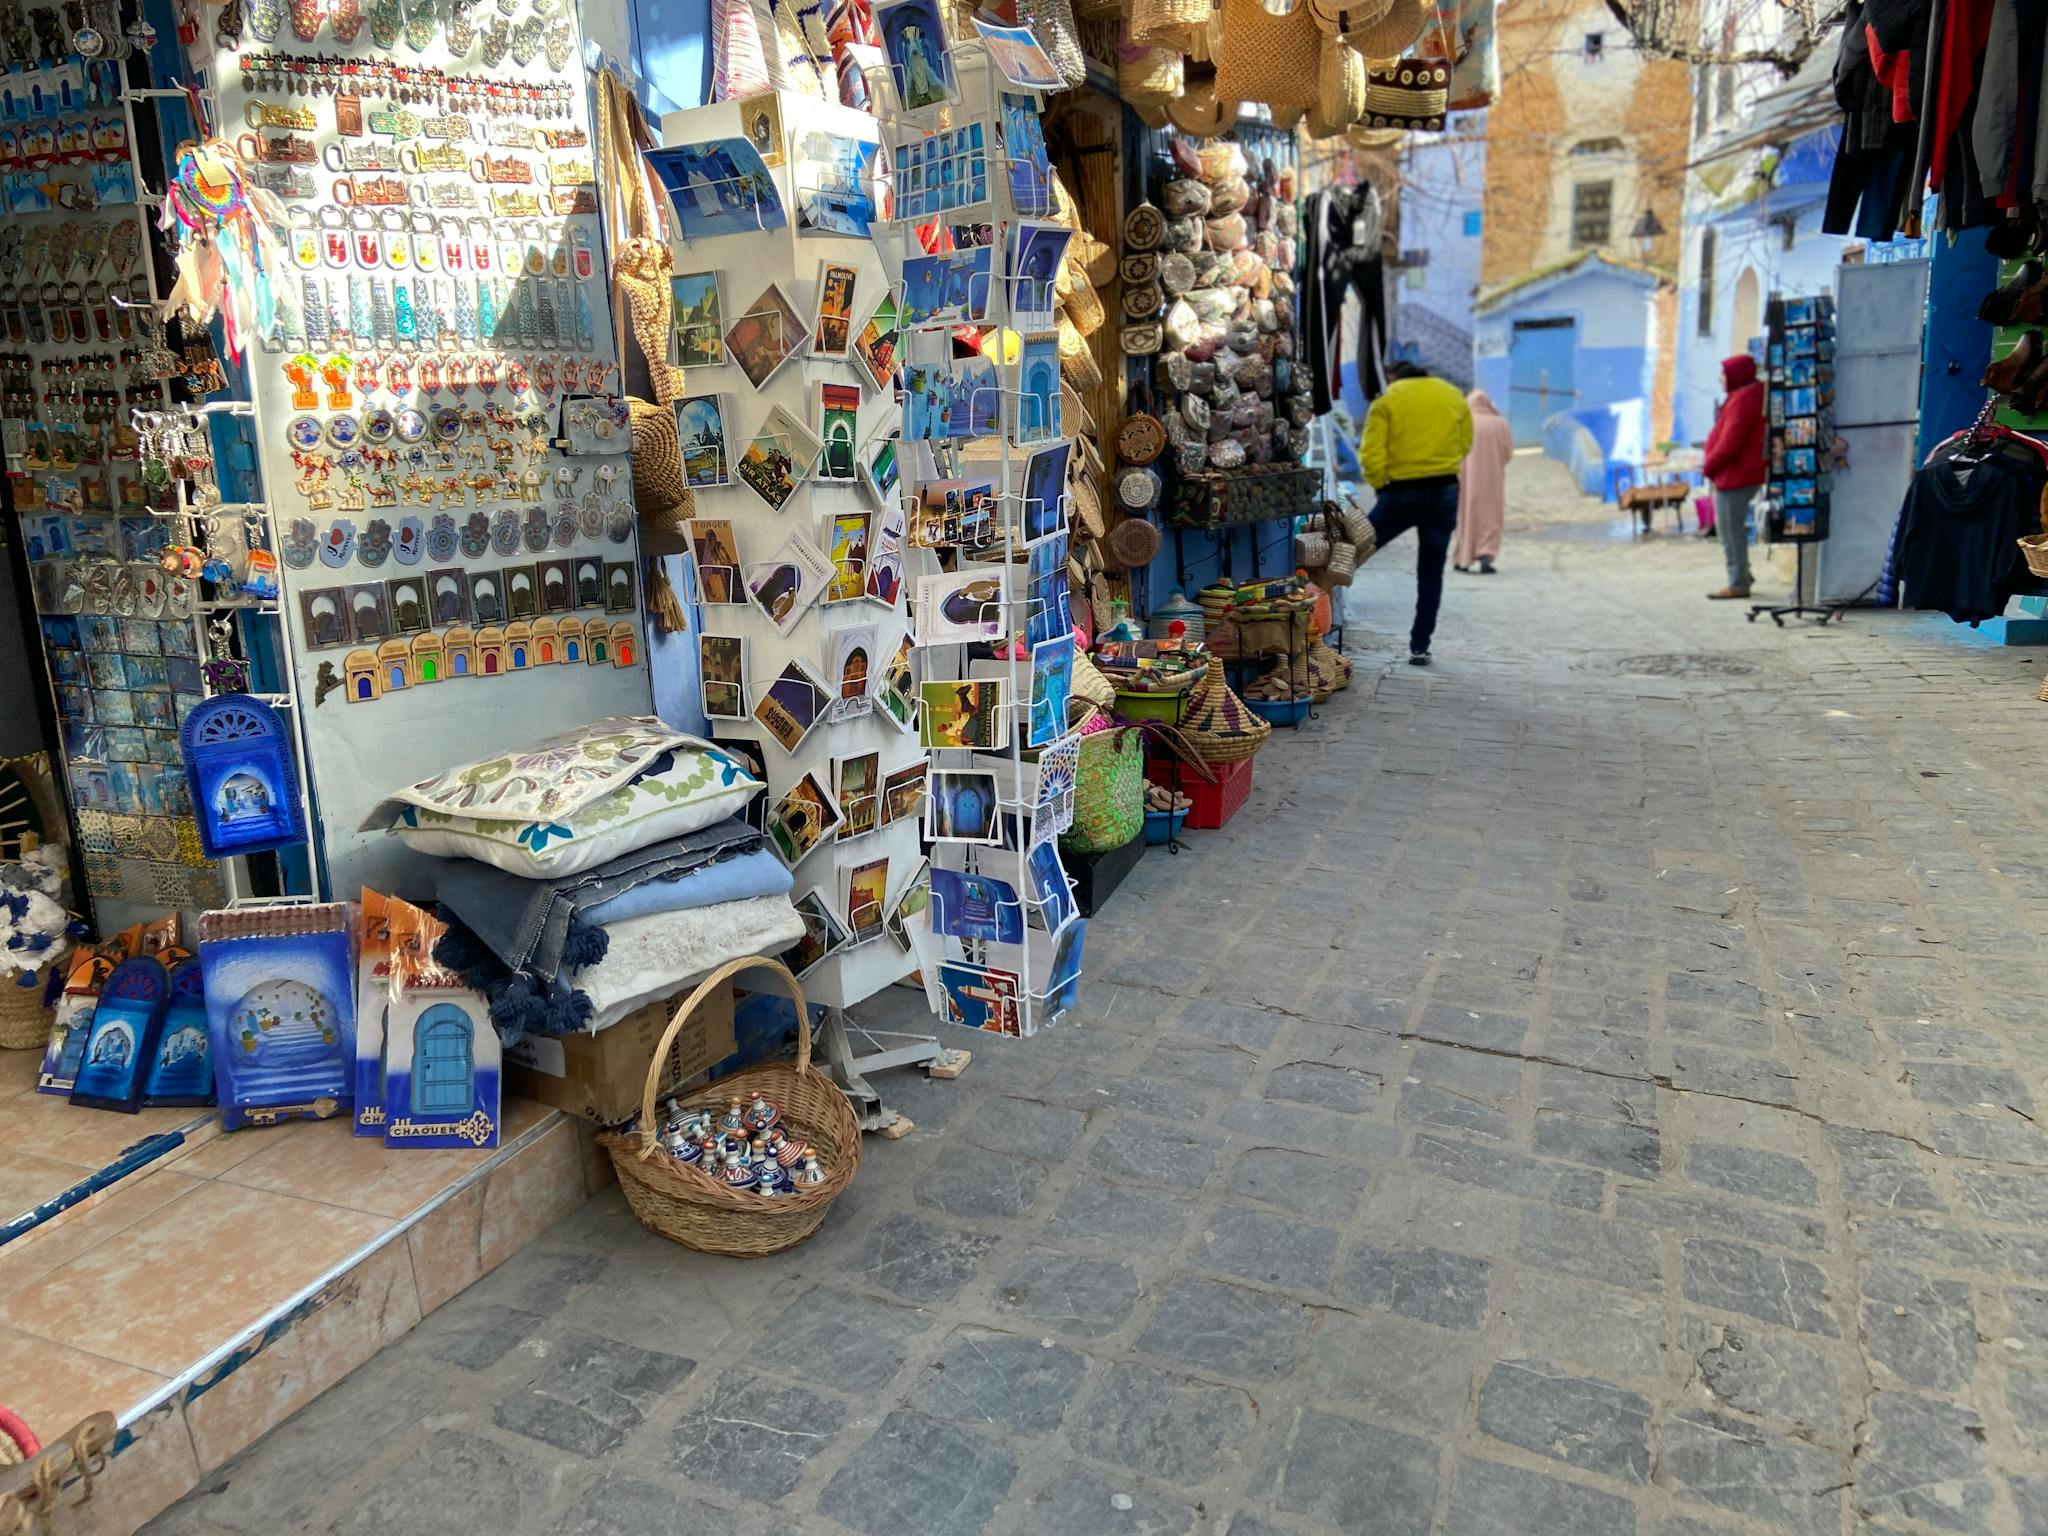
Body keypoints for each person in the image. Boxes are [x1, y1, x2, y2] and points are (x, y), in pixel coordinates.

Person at [1360, 361, 1474, 664]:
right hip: (1445, 490)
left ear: (1394, 377)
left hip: (1399, 492)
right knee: (1431, 572)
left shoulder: (1387, 398)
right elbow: (1465, 444)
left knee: (1353, 552)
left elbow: (1371, 452)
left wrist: (1379, 485)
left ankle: (1315, 620)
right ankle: (1420, 645)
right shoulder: (1452, 395)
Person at [1702, 353, 1766, 599]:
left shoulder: (1743, 400)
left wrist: (1709, 466)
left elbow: (1730, 443)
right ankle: (1742, 574)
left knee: (1730, 531)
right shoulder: (1743, 396)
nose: (1721, 379)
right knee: (1732, 528)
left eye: (1723, 374)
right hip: (1735, 473)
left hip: (1735, 475)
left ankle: (1738, 582)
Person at [1452, 388, 1514, 575]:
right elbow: (1508, 453)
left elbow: (1454, 450)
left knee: (1466, 514)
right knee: (1491, 514)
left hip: (1466, 479)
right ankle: (1486, 554)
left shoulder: (1463, 422)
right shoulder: (1500, 423)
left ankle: (1464, 558)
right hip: (1492, 479)